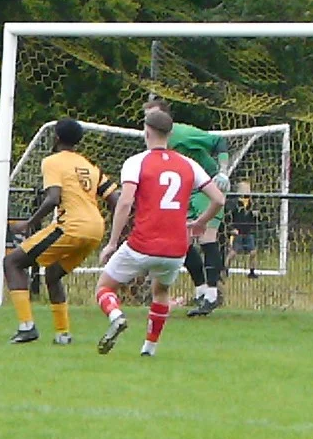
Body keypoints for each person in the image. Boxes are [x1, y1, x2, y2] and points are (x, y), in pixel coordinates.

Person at [94, 109, 225, 356]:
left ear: (146, 131)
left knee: (104, 288)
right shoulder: (189, 164)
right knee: (161, 291)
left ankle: (116, 316)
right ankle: (149, 349)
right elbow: (218, 199)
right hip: (176, 248)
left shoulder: (136, 162)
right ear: (170, 134)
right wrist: (200, 222)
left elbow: (125, 202)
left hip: (141, 244)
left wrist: (112, 243)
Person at [4, 119, 119, 345]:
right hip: (96, 229)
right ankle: (63, 334)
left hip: (72, 226)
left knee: (12, 263)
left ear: (56, 138)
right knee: (53, 274)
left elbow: (53, 198)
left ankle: (26, 327)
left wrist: (29, 223)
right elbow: (115, 198)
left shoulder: (52, 162)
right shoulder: (89, 165)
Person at [143, 98, 231, 316]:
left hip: (207, 186)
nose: (149, 124)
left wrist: (223, 171)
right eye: (147, 119)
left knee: (207, 236)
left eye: (154, 117)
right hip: (186, 191)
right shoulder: (152, 144)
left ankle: (212, 294)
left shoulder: (183, 133)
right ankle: (201, 290)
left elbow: (218, 141)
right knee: (181, 239)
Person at [226, 180, 261, 279]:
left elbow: (256, 214)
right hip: (238, 231)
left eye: (248, 189)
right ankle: (226, 269)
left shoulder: (252, 202)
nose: (247, 191)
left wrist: (256, 214)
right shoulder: (233, 202)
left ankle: (252, 272)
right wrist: (231, 229)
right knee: (233, 252)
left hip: (248, 231)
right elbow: (228, 217)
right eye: (245, 189)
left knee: (253, 252)